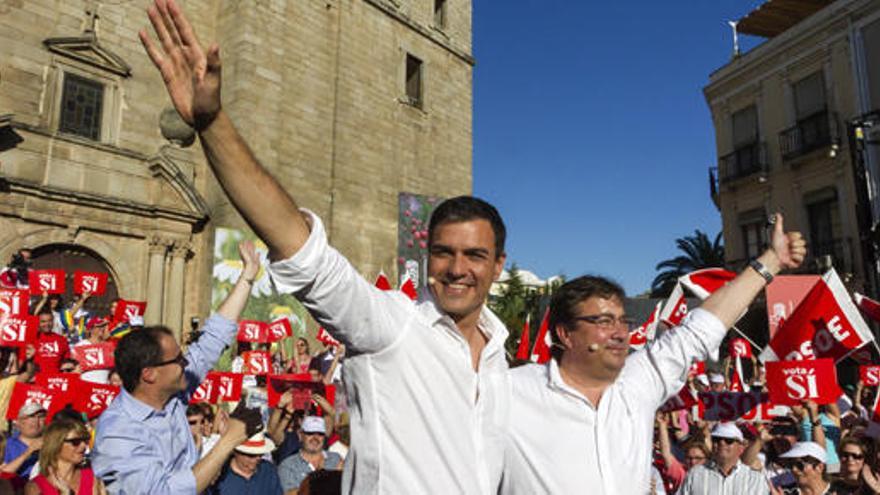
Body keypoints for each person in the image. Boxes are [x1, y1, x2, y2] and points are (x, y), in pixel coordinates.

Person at [140, 2, 510, 492]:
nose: (457, 268)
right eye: (444, 252)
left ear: (499, 266)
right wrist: (213, 124)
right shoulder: (392, 326)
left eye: (475, 255)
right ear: (427, 257)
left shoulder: (503, 355)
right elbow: (300, 247)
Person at [500, 214, 805, 494]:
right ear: (565, 334)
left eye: (623, 321)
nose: (621, 333)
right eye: (604, 321)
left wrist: (772, 261)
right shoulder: (507, 393)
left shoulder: (636, 384)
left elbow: (702, 326)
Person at [91, 242, 264, 494]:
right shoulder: (118, 432)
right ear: (148, 374)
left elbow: (212, 340)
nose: (187, 364)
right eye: (178, 360)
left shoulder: (171, 396)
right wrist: (228, 442)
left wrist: (247, 276)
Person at [677, 422, 769, 494]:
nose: (722, 443)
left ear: (741, 447)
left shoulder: (756, 479)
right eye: (716, 439)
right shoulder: (695, 475)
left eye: (729, 440)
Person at [24, 419, 105, 495]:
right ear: (56, 444)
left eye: (86, 440)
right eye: (75, 442)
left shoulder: (92, 478)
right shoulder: (36, 487)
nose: (83, 446)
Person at [278, 416, 342, 494]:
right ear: (300, 435)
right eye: (310, 433)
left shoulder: (336, 459)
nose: (315, 438)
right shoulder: (288, 466)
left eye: (320, 434)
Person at [207, 432, 283, 495]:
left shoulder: (268, 470)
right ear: (236, 452)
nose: (258, 458)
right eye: (251, 455)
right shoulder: (218, 477)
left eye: (261, 454)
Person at [35, 309, 70, 374]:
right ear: (38, 322)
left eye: (50, 321)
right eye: (43, 321)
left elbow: (67, 362)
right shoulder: (32, 339)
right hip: (38, 379)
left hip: (56, 379)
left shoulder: (61, 340)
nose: (47, 324)